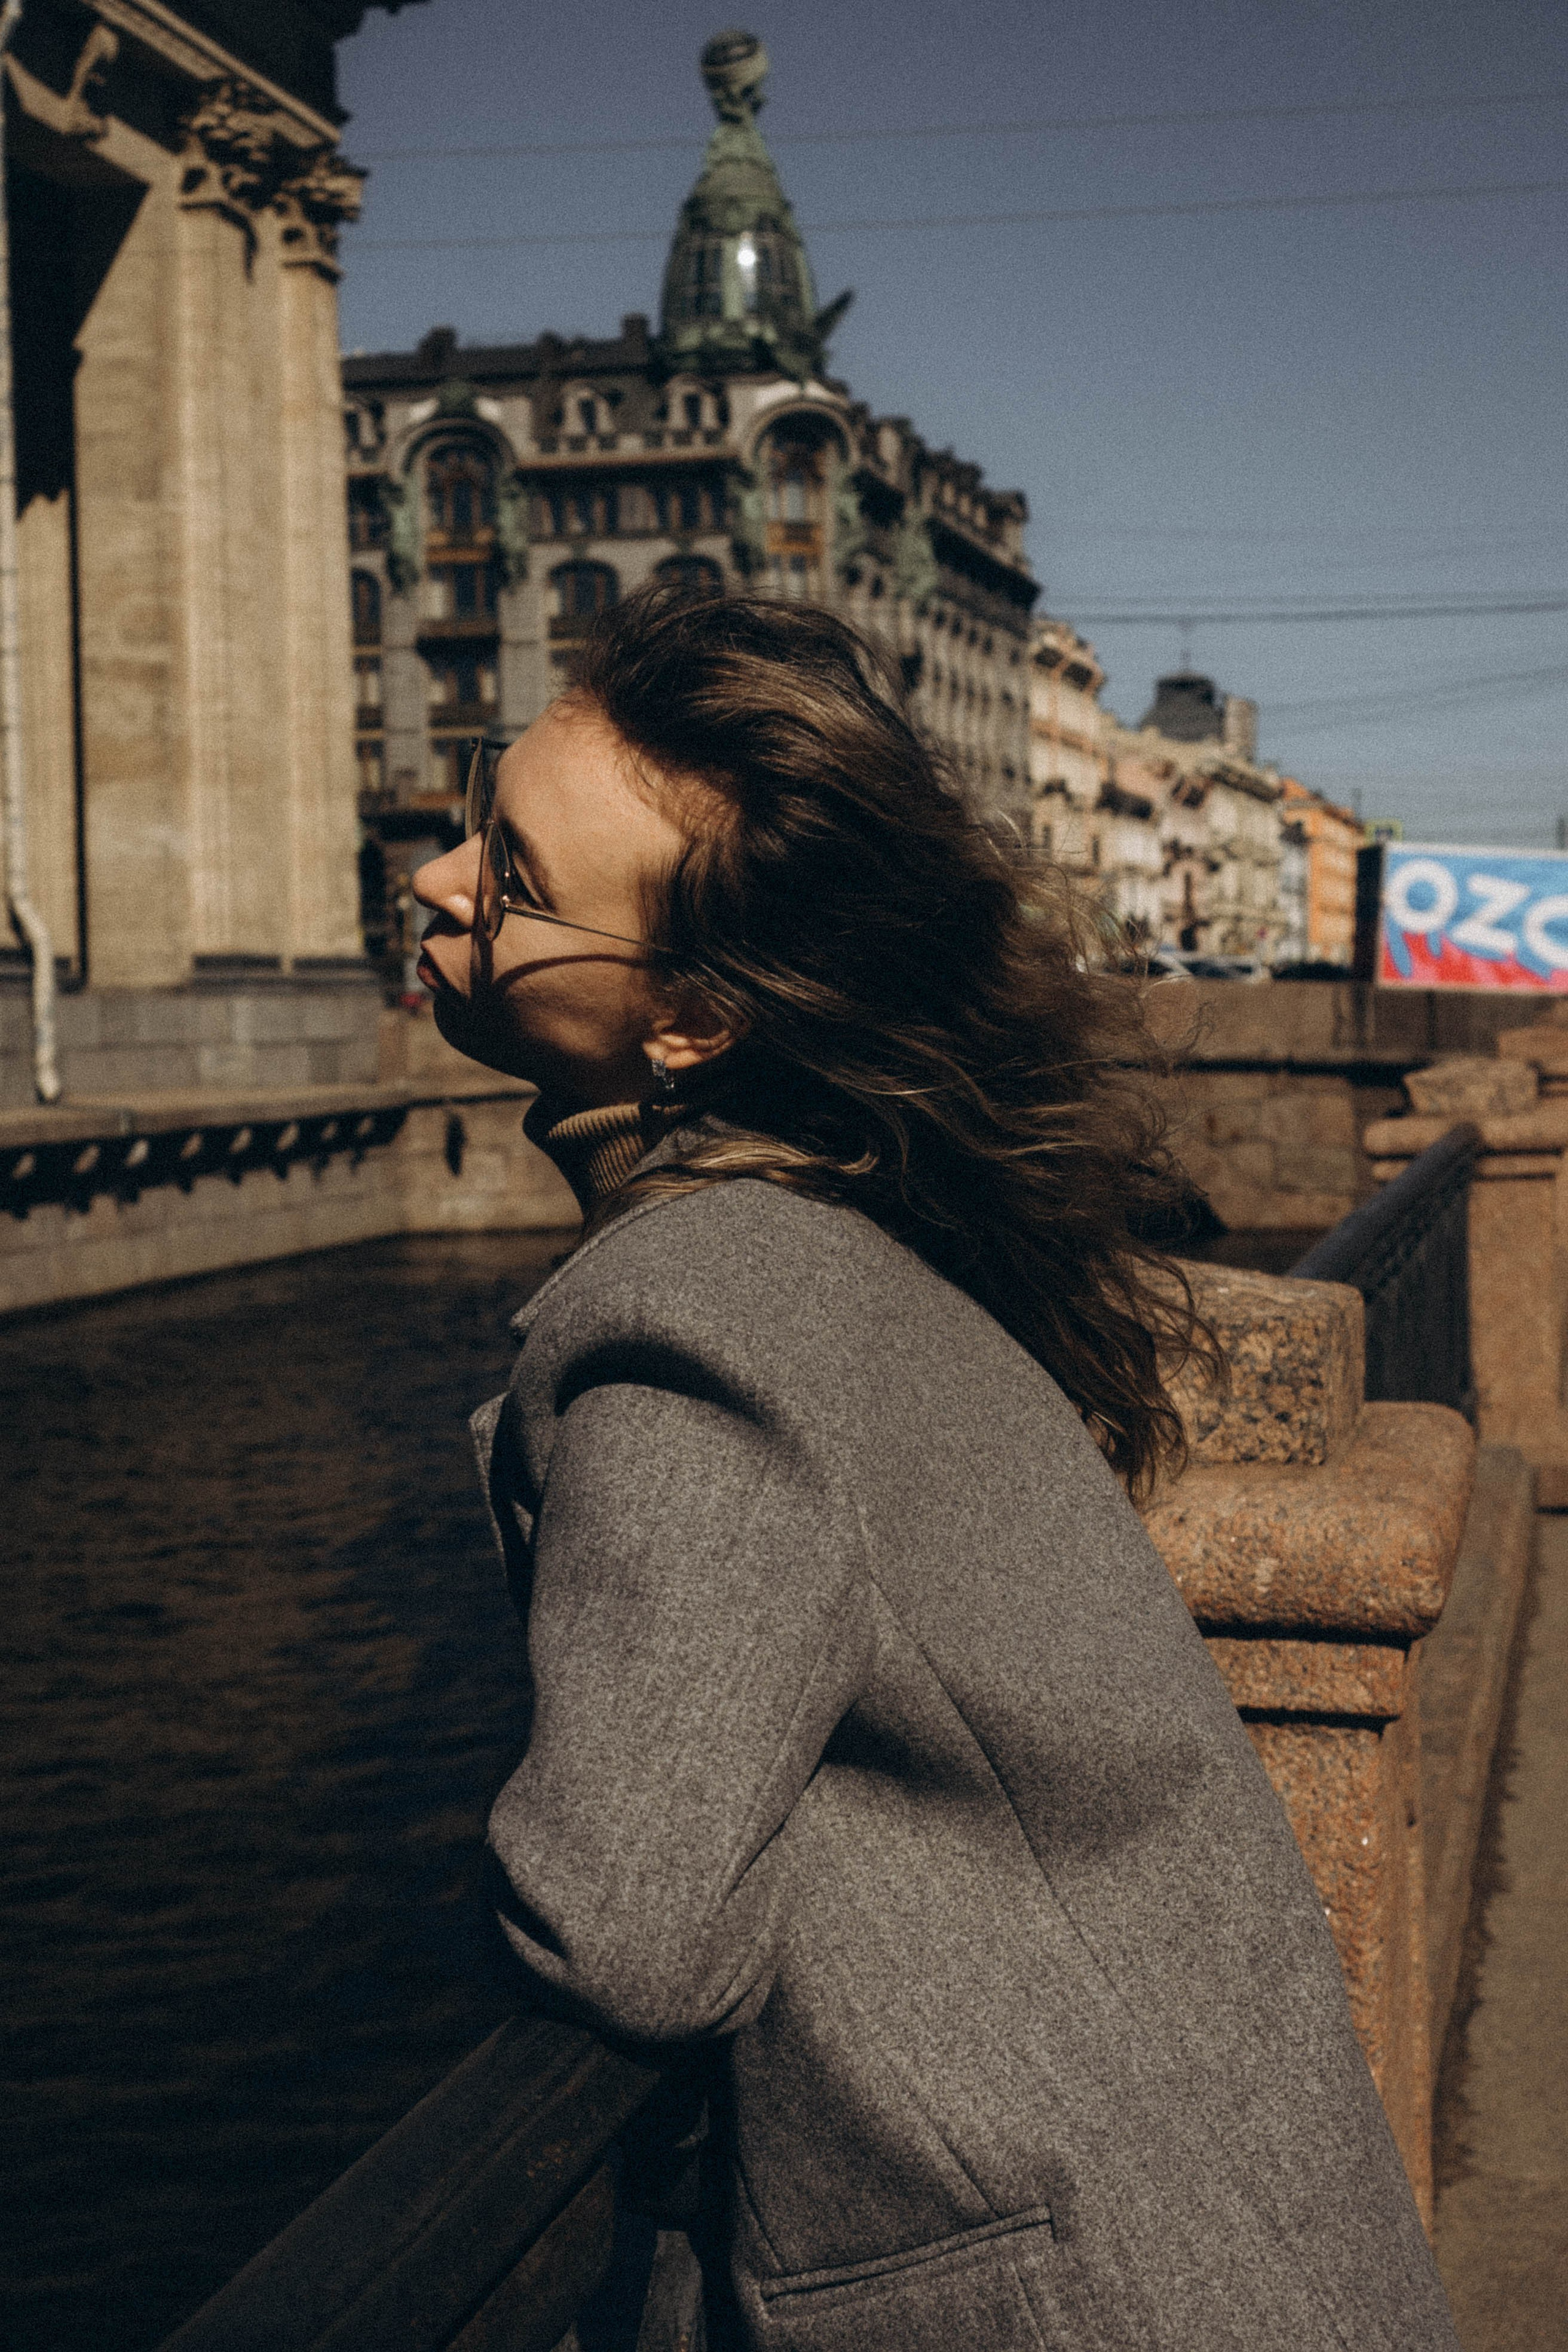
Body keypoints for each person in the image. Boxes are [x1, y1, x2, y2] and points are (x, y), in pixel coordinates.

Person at [411, 586, 1458, 2352]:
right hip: (1230, 2230)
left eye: (513, 880)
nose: (443, 882)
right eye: (473, 822)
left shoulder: (694, 1321)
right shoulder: (859, 1233)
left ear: (692, 1020)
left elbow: (630, 1929)